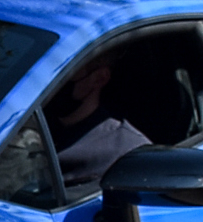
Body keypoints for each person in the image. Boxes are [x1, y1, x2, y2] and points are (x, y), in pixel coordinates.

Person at [46, 58, 151, 199]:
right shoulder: (21, 124)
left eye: (64, 74)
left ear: (99, 78)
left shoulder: (126, 151)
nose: (52, 83)